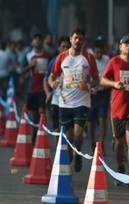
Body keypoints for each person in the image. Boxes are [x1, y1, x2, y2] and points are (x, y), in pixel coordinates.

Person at [49, 28, 99, 172]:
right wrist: (52, 83)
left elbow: (96, 79)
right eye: (75, 38)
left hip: (82, 102)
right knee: (68, 135)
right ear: (71, 39)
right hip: (64, 102)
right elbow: (52, 76)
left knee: (78, 133)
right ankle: (71, 158)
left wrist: (88, 85)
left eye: (81, 39)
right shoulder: (62, 57)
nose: (78, 41)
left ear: (84, 41)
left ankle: (77, 155)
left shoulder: (89, 58)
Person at [101, 34, 129, 176]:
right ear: (120, 46)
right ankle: (120, 165)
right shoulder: (114, 62)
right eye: (126, 44)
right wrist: (114, 83)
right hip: (117, 110)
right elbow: (102, 80)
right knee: (119, 143)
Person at [22, 33, 51, 139]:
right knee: (33, 114)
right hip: (32, 87)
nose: (37, 42)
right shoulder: (29, 55)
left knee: (42, 111)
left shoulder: (48, 55)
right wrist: (30, 66)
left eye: (40, 40)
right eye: (36, 40)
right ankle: (35, 134)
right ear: (33, 42)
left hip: (43, 88)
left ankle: (41, 135)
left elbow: (52, 70)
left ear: (42, 42)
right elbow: (22, 71)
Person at [43, 36, 71, 135]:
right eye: (63, 47)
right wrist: (48, 93)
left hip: (71, 100)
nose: (65, 49)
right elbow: (46, 79)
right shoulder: (53, 61)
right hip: (56, 99)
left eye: (67, 47)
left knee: (68, 128)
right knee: (56, 128)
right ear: (58, 48)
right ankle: (58, 150)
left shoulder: (75, 62)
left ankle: (69, 149)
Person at [87, 40, 110, 151]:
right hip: (91, 93)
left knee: (102, 119)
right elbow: (85, 76)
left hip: (103, 93)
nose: (99, 55)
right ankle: (91, 142)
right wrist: (89, 88)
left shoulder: (107, 60)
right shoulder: (89, 59)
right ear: (93, 51)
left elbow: (111, 76)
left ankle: (100, 144)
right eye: (97, 52)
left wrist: (107, 85)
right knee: (91, 119)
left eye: (101, 52)